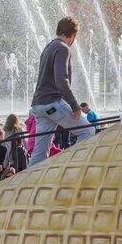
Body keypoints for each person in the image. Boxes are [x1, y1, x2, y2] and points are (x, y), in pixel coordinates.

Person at [29, 17, 96, 166]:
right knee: (88, 131)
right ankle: (71, 167)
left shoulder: (48, 47)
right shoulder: (63, 48)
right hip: (52, 103)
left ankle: (27, 185)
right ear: (72, 34)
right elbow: (61, 80)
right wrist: (74, 105)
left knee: (39, 154)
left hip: (39, 106)